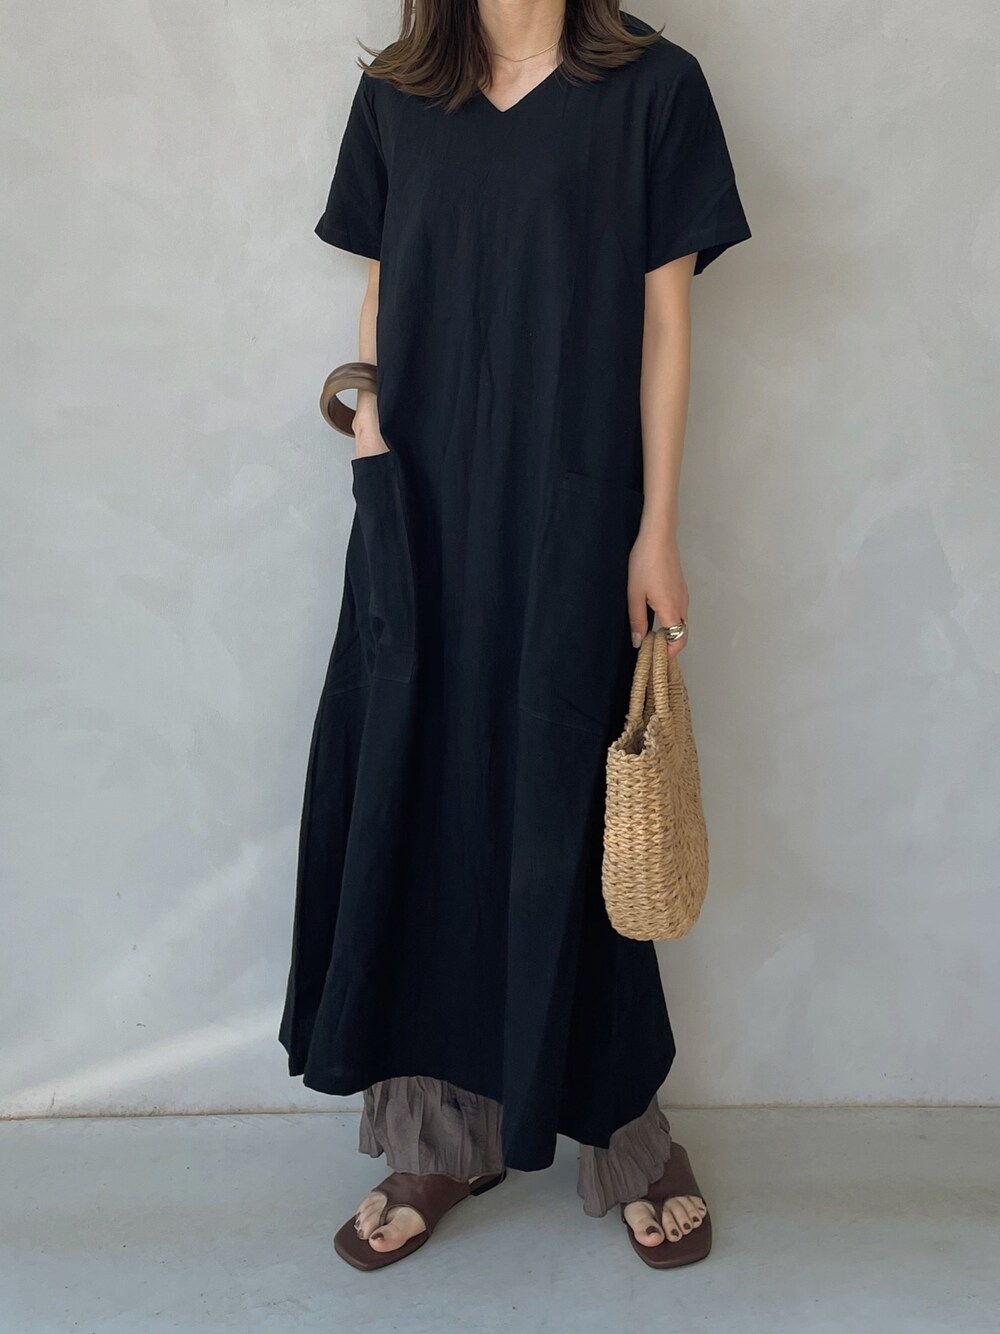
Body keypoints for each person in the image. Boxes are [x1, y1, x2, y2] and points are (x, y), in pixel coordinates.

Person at [279, 0, 751, 1271]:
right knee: (423, 796)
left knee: (569, 817)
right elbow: (384, 287)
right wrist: (372, 437)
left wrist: (655, 528)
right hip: (420, 514)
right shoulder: (399, 96)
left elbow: (666, 324)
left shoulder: (653, 91)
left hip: (572, 515)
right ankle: (437, 1135)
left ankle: (626, 1134)